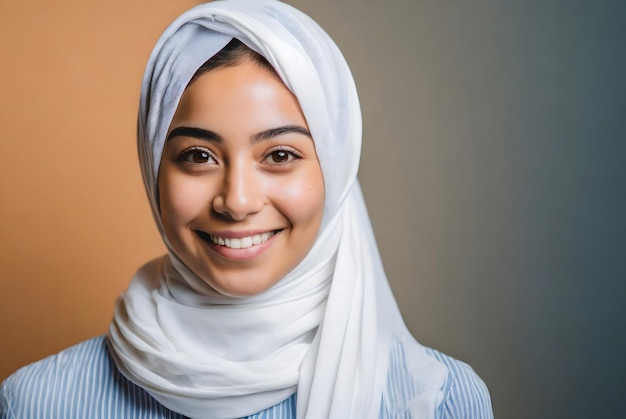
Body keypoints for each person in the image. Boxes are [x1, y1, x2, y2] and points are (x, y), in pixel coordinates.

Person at [0, 1, 493, 418]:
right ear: (155, 168)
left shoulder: (436, 401)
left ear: (336, 170)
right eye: (198, 156)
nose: (237, 201)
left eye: (279, 156)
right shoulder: (40, 403)